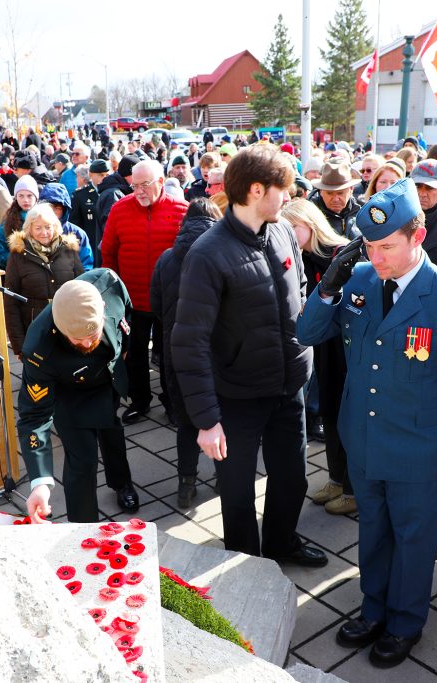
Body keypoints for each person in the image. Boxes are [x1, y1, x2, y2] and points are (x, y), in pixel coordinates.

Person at [296, 178, 437, 668]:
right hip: (362, 439)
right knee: (374, 531)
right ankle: (373, 607)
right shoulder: (361, 279)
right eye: (368, 245)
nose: (376, 257)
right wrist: (328, 285)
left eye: (387, 246)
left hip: (418, 448)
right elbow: (306, 332)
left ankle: (405, 620)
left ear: (418, 238)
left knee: (413, 538)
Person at [172, 145, 326, 567]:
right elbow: (189, 342)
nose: (290, 197)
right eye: (285, 189)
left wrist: (303, 350)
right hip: (237, 397)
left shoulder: (280, 232)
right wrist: (205, 420)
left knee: (292, 479)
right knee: (237, 493)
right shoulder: (207, 254)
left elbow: (299, 295)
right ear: (257, 190)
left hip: (287, 389)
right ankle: (245, 564)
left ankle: (281, 543)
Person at [18, 271, 141, 523]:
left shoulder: (110, 284)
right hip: (71, 395)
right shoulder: (40, 348)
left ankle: (121, 483)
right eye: (78, 339)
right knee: (82, 461)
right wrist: (40, 482)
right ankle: (82, 528)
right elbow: (34, 416)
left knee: (112, 434)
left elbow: (126, 313)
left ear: (102, 308)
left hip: (107, 380)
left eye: (92, 336)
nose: (86, 344)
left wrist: (124, 351)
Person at [280, 198, 356, 515]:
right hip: (321, 348)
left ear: (309, 224)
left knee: (349, 418)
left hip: (346, 349)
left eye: (290, 228)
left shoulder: (342, 254)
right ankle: (337, 478)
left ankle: (354, 489)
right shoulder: (301, 257)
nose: (285, 235)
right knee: (329, 413)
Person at [101, 159, 188, 424]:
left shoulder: (182, 211)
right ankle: (140, 400)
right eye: (134, 185)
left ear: (161, 182)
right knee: (134, 354)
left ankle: (172, 402)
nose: (138, 191)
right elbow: (108, 253)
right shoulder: (119, 209)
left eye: (145, 185)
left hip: (170, 301)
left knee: (170, 357)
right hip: (132, 301)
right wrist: (113, 294)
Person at [151, 199, 223, 506]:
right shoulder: (222, 255)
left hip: (176, 350)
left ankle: (186, 483)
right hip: (217, 351)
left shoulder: (167, 259)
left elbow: (155, 305)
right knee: (220, 417)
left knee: (186, 421)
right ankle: (224, 477)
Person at [4, 202, 83, 357]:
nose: (44, 232)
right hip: (35, 332)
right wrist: (19, 346)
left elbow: (81, 291)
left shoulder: (69, 250)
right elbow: (11, 303)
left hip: (68, 331)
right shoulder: (18, 256)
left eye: (48, 227)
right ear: (29, 229)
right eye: (38, 227)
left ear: (55, 227)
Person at [37, 182, 94, 270]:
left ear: (64, 210)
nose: (52, 211)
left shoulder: (77, 234)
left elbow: (85, 266)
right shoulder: (33, 231)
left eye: (57, 208)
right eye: (49, 207)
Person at [0, 174, 40, 270]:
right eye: (21, 196)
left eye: (29, 196)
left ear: (36, 197)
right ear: (16, 197)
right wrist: (19, 261)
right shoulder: (9, 220)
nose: (25, 200)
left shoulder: (46, 217)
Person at [308, 160, 361, 240]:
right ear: (321, 191)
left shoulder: (362, 213)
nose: (335, 199)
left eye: (340, 193)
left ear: (351, 189)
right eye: (329, 193)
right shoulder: (309, 216)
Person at [70, 158, 106, 252]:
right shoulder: (80, 195)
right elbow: (75, 224)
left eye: (107, 175)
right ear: (91, 175)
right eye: (101, 175)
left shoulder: (111, 193)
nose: (104, 178)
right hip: (89, 245)